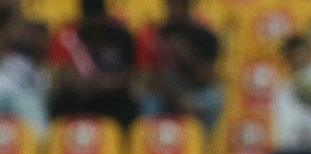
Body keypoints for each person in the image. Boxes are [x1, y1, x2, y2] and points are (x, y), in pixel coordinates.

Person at [47, 0, 138, 127]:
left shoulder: (122, 37)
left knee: (130, 106)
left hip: (112, 97)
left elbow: (131, 74)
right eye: (89, 16)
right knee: (57, 103)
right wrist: (79, 82)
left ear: (104, 16)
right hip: (78, 97)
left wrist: (108, 82)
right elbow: (58, 76)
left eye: (97, 16)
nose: (94, 22)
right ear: (82, 18)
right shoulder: (68, 38)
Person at [137, 0, 222, 130]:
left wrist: (188, 57)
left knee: (212, 99)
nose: (176, 9)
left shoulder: (206, 37)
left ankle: (206, 148)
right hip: (165, 91)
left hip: (195, 89)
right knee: (149, 103)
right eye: (172, 5)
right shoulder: (153, 36)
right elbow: (148, 79)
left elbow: (206, 79)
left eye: (181, 5)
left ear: (189, 6)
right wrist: (179, 98)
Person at [0, 16, 50, 138]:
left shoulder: (37, 65)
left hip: (27, 92)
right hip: (6, 85)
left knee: (38, 133)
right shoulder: (9, 50)